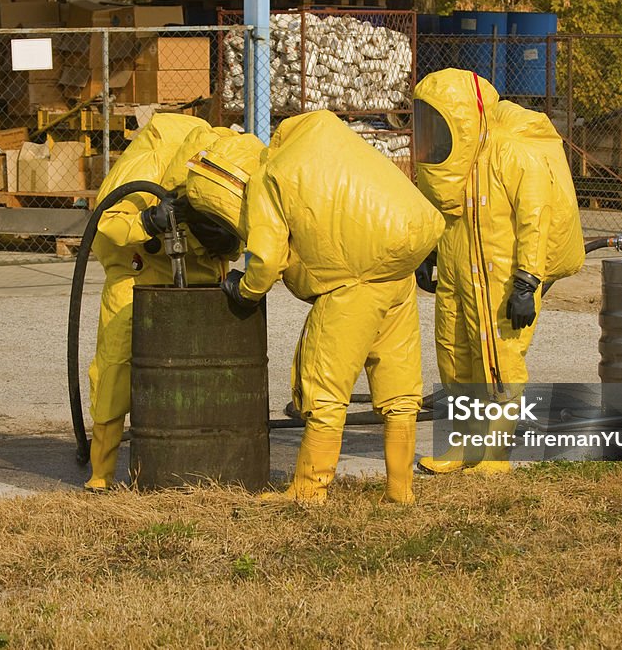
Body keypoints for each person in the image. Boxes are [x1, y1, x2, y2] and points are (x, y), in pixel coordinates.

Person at [184, 112, 445, 504]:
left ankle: (309, 490)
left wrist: (246, 289)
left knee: (323, 387)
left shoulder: (270, 177)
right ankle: (400, 490)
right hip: (397, 273)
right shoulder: (331, 147)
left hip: (352, 284)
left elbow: (268, 259)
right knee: (399, 386)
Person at [412, 68, 585, 475]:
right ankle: (463, 446)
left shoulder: (512, 153)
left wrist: (527, 281)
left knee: (498, 363)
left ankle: (495, 455)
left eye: (439, 121)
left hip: (502, 280)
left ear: (465, 120)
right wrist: (428, 254)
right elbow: (443, 213)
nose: (432, 132)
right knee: (455, 360)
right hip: (456, 277)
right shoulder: (451, 165)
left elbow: (534, 221)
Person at [85, 115, 242, 491]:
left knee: (207, 369)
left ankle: (204, 456)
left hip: (201, 271)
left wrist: (227, 242)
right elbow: (106, 223)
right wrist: (150, 221)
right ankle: (101, 472)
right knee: (116, 365)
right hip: (139, 273)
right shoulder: (150, 161)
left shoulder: (230, 161)